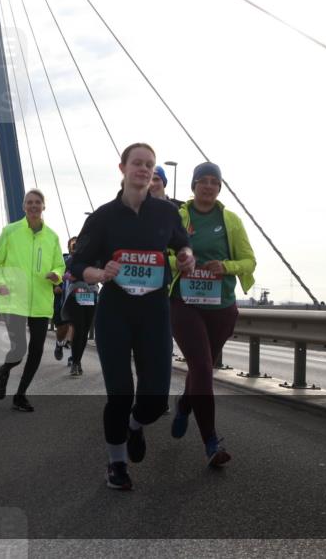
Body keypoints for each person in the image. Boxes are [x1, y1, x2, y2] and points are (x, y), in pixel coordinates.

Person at [68, 142, 194, 491]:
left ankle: (136, 426)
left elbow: (182, 243)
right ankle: (117, 463)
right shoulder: (103, 217)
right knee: (120, 394)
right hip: (115, 315)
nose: (144, 169)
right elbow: (77, 264)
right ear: (122, 168)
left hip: (155, 313)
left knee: (153, 401)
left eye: (149, 165)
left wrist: (186, 256)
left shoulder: (166, 213)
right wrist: (98, 273)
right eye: (137, 163)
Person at [168, 162, 256, 466]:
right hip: (184, 303)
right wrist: (177, 262)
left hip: (221, 306)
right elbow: (162, 253)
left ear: (219, 187)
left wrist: (226, 267)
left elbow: (248, 261)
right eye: (202, 181)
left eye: (213, 182)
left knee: (201, 367)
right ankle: (211, 441)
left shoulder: (230, 220)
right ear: (193, 186)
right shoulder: (178, 216)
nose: (208, 186)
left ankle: (183, 405)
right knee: (204, 367)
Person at [0, 190, 65, 412]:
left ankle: (20, 395)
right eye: (29, 202)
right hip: (14, 299)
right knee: (19, 348)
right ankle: (5, 369)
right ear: (24, 207)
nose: (33, 206)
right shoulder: (11, 231)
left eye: (37, 202)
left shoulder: (52, 236)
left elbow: (60, 265)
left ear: (44, 206)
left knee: (37, 350)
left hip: (41, 301)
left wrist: (56, 274)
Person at [59, 237, 98, 378]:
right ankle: (75, 363)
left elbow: (101, 273)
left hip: (91, 295)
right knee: (79, 329)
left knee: (85, 331)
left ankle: (77, 361)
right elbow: (65, 274)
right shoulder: (72, 259)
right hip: (77, 295)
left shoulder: (96, 257)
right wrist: (68, 276)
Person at [52, 238, 76, 361]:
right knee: (63, 327)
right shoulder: (61, 260)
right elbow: (54, 273)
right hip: (62, 298)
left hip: (79, 298)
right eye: (73, 244)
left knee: (77, 326)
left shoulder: (86, 260)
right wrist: (55, 286)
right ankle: (59, 343)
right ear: (68, 247)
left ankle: (75, 358)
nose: (76, 246)